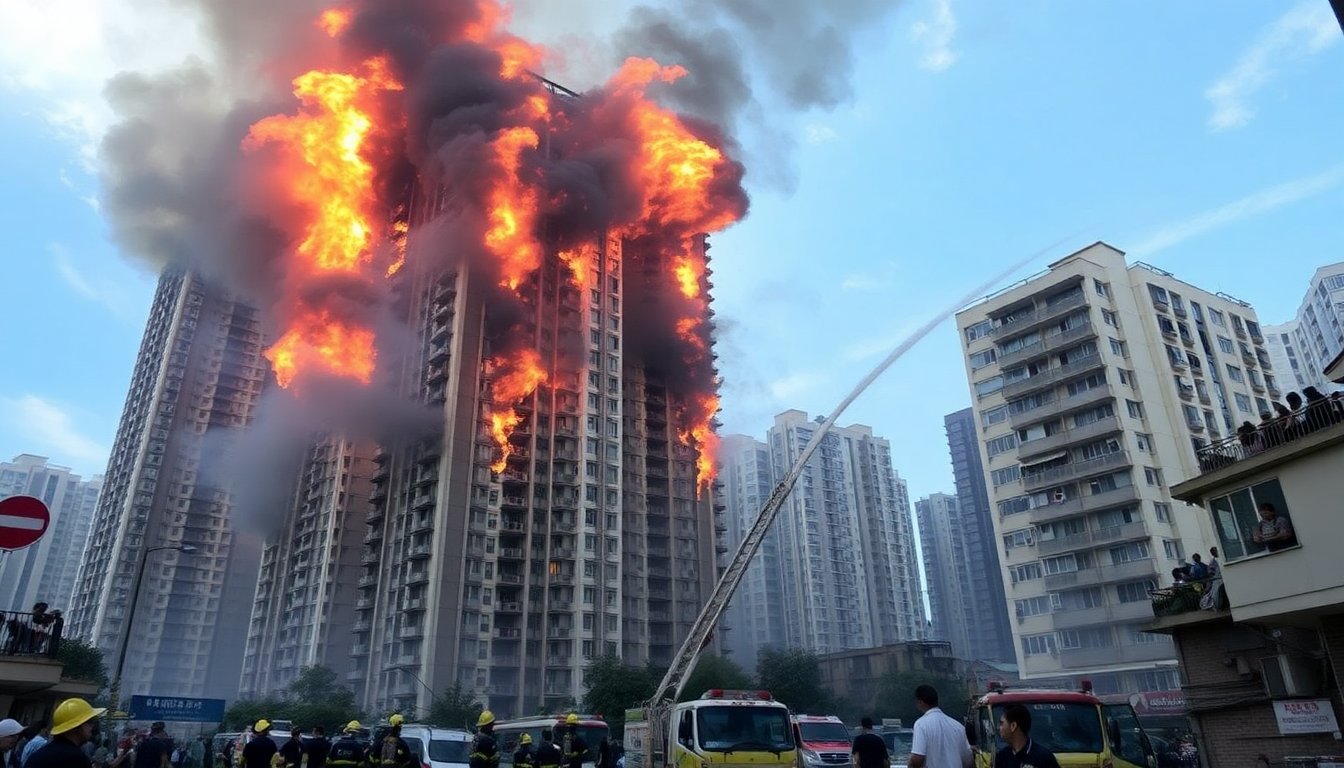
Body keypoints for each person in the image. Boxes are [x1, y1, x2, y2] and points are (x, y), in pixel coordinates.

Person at [27, 698, 106, 768]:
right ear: (75, 726)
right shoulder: (76, 759)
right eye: (89, 721)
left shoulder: (38, 755)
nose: (92, 726)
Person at [909, 685, 971, 768]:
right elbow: (968, 760)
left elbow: (918, 758)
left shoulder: (921, 724)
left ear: (921, 702)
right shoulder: (958, 726)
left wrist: (910, 764)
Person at [993, 704, 1059, 768]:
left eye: (1001, 723)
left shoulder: (1044, 757)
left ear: (1013, 726)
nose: (998, 727)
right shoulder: (1002, 756)